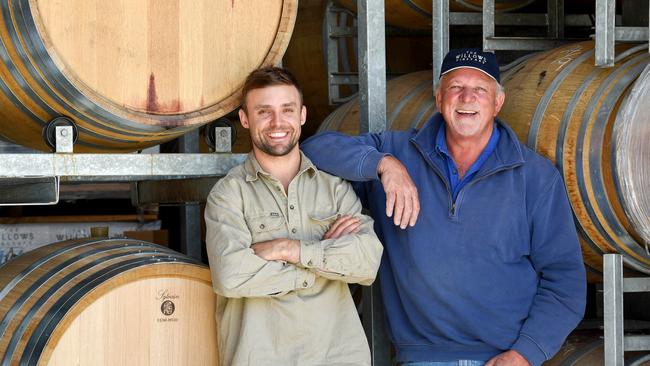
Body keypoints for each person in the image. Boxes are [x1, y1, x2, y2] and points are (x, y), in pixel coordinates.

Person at [302, 48, 587, 366]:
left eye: (480, 89)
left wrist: (525, 354)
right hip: (422, 357)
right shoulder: (399, 150)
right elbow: (314, 148)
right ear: (439, 99)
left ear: (497, 103)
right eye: (456, 88)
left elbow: (565, 282)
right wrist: (384, 164)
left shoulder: (535, 176)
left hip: (503, 358)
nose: (467, 98)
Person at [204, 66, 383, 366]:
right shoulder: (228, 195)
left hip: (338, 356)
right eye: (264, 111)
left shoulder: (334, 187)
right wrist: (322, 263)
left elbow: (367, 263)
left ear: (301, 115)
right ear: (245, 119)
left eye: (287, 110)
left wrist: (290, 250)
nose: (277, 122)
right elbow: (230, 276)